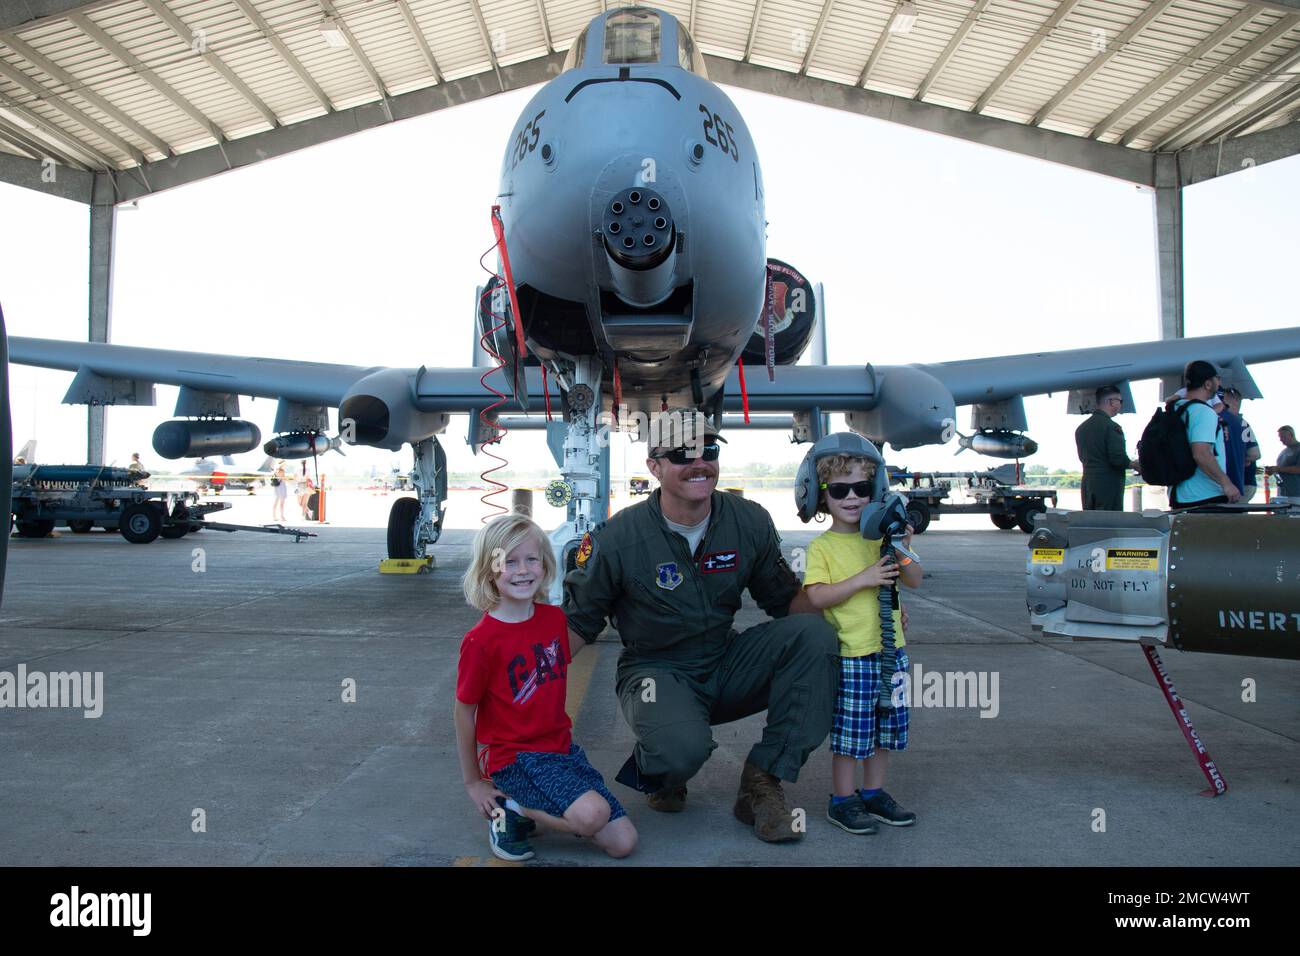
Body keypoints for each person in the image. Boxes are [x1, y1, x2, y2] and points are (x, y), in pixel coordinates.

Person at [562, 408, 840, 843]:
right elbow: (579, 623)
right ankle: (664, 765)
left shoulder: (747, 521)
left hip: (725, 661)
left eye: (707, 450)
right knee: (679, 750)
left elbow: (784, 600)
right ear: (653, 466)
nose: (699, 463)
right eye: (680, 454)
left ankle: (761, 783)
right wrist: (524, 685)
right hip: (655, 671)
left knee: (817, 637)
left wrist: (866, 612)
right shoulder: (616, 538)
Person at [455, 514, 636, 862]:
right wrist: (473, 781)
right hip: (516, 759)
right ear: (488, 570)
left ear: (545, 564)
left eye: (531, 559)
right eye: (508, 561)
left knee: (623, 843)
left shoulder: (554, 621)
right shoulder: (481, 641)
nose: (522, 570)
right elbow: (464, 710)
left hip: (561, 752)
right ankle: (508, 808)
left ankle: (524, 812)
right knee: (592, 815)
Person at [801, 435, 922, 835]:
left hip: (893, 654)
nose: (852, 497)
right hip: (853, 656)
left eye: (862, 489)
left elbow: (915, 580)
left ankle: (874, 792)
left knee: (886, 730)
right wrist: (864, 579)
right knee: (851, 735)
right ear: (821, 496)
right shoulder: (822, 547)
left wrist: (902, 546)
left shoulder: (882, 541)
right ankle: (842, 800)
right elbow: (816, 595)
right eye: (839, 490)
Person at [1169, 361, 1239, 508]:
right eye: (1217, 378)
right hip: (1205, 495)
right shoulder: (1204, 412)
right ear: (1208, 384)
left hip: (1179, 493)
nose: (1219, 382)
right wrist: (1226, 483)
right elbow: (1201, 453)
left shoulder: (1175, 408)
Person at [1074, 385, 1136, 511]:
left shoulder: (1081, 428)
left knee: (1091, 524)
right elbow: (1118, 459)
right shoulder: (1112, 427)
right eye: (1120, 401)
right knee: (1109, 525)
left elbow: (1082, 458)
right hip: (1108, 485)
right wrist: (1135, 465)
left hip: (1088, 484)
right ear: (1112, 402)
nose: (1120, 405)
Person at [1217, 387, 1254, 503]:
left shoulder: (1214, 418)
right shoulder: (1242, 423)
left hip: (1223, 485)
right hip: (1241, 482)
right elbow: (1254, 453)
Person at [1265, 425, 1300, 500]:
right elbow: (1281, 469)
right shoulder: (1283, 452)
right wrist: (1272, 470)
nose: (1280, 439)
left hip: (1296, 494)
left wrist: (1278, 469)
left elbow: (1298, 469)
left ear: (1290, 435)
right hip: (1283, 493)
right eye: (1280, 437)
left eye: (1283, 436)